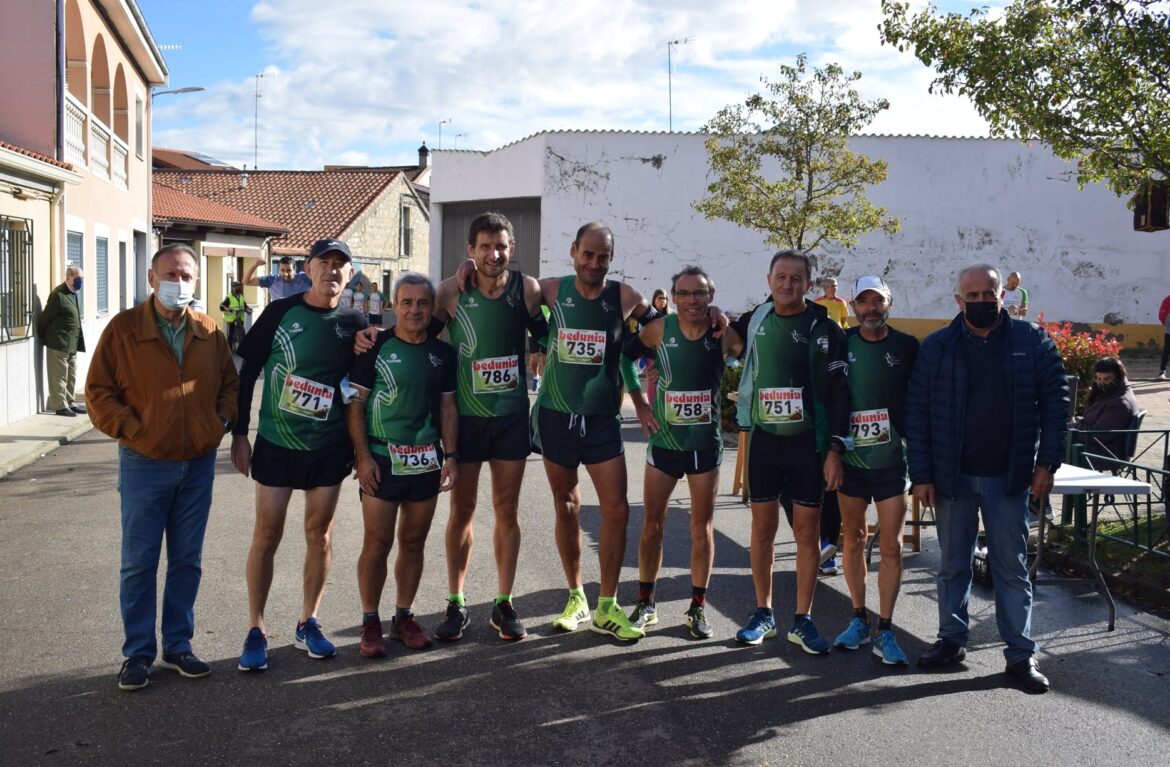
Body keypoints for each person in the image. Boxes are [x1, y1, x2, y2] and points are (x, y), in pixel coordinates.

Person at [85, 243, 239, 691]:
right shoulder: (124, 330)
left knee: (187, 561)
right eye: (171, 274)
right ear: (152, 279)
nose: (180, 282)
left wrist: (220, 424)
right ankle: (137, 654)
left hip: (198, 463)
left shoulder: (209, 330)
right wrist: (133, 430)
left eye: (188, 275)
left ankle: (178, 646)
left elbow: (229, 383)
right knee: (138, 563)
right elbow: (98, 392)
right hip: (144, 463)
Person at [907, 263, 1067, 693]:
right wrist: (920, 473)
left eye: (988, 294)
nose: (980, 301)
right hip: (951, 478)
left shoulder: (1031, 341)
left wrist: (1046, 464)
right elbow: (917, 412)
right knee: (952, 566)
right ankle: (951, 641)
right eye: (971, 295)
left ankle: (1020, 655)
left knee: (1011, 570)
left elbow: (1056, 405)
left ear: (1003, 296)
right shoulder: (938, 346)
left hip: (1009, 478)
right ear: (958, 300)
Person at [534, 223, 678, 642]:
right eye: (588, 254)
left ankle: (607, 605)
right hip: (557, 416)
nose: (595, 263)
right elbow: (502, 289)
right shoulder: (548, 290)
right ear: (573, 250)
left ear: (611, 259)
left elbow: (662, 332)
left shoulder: (625, 297)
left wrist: (640, 395)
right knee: (567, 506)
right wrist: (468, 271)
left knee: (616, 510)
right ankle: (576, 596)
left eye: (603, 257)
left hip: (601, 420)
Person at [231, 237, 368, 671]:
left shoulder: (354, 320)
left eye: (340, 265)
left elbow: (360, 387)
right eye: (323, 263)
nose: (331, 270)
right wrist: (239, 433)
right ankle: (256, 628)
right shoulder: (279, 312)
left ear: (350, 274)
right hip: (276, 442)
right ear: (308, 269)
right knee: (267, 535)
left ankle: (308, 620)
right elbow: (247, 371)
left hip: (327, 446)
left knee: (319, 534)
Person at [431, 213, 547, 642]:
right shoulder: (450, 292)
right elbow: (419, 340)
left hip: (512, 417)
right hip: (465, 418)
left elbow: (553, 331)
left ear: (511, 250)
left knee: (506, 510)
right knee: (461, 511)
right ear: (471, 250)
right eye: (484, 247)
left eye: (500, 247)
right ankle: (456, 603)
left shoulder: (527, 289)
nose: (493, 254)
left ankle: (503, 602)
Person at [730, 250, 851, 655]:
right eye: (780, 277)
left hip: (808, 444)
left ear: (808, 284)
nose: (787, 285)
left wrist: (835, 449)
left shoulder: (823, 325)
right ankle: (762, 612)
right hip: (765, 441)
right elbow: (722, 341)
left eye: (795, 279)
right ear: (769, 280)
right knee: (762, 530)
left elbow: (839, 395)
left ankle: (803, 619)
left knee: (806, 534)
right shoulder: (756, 318)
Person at [348, 274, 459, 656]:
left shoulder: (443, 354)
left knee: (413, 542)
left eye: (423, 303)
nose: (414, 310)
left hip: (426, 459)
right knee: (377, 543)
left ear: (432, 308)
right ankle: (369, 621)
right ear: (393, 306)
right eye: (407, 302)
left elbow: (447, 408)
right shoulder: (375, 344)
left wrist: (452, 457)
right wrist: (363, 459)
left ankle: (403, 616)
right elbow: (356, 404)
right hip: (381, 458)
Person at [623, 266, 734, 639]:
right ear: (673, 297)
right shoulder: (658, 330)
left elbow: (756, 339)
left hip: (704, 447)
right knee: (652, 525)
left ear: (710, 297)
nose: (691, 300)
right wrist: (639, 402)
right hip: (665, 444)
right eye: (684, 293)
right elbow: (625, 357)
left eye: (699, 293)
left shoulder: (722, 334)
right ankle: (645, 602)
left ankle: (698, 608)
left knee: (701, 529)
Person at [830, 276, 919, 666]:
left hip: (890, 462)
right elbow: (826, 396)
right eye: (863, 301)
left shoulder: (906, 346)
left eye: (877, 301)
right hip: (851, 462)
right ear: (853, 306)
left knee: (892, 545)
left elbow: (919, 402)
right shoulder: (841, 343)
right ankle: (857, 619)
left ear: (889, 304)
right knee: (852, 538)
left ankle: (886, 628)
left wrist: (920, 457)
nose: (871, 308)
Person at [38, 266, 87, 416]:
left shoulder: (73, 293)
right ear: (69, 278)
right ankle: (60, 406)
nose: (81, 283)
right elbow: (45, 318)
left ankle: (70, 402)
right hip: (58, 343)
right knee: (58, 376)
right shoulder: (58, 295)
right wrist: (44, 336)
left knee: (71, 375)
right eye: (78, 279)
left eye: (82, 279)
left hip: (72, 343)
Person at [1075, 356, 1140, 468]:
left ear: (1118, 377)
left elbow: (1098, 434)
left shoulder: (1119, 403)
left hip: (1105, 453)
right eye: (1098, 379)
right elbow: (1093, 421)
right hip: (1099, 446)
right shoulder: (1110, 393)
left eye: (1106, 379)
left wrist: (1071, 428)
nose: (1101, 383)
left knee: (1052, 448)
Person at [245, 254, 312, 299]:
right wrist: (255, 265)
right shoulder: (272, 280)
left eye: (289, 270)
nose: (285, 274)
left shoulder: (304, 278)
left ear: (294, 270)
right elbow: (247, 281)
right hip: (281, 318)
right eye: (282, 270)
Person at [218, 281, 252, 351]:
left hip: (240, 319)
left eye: (239, 287)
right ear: (233, 288)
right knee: (231, 334)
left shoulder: (240, 296)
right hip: (232, 319)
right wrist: (227, 308)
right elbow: (221, 306)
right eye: (237, 287)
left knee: (243, 333)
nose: (239, 288)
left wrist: (248, 309)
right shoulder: (229, 297)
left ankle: (242, 349)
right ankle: (229, 350)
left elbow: (245, 306)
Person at [1156, 292, 1170, 379]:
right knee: (1167, 349)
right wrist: (1166, 323)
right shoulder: (1168, 300)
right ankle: (1162, 371)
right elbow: (1162, 314)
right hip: (1169, 327)